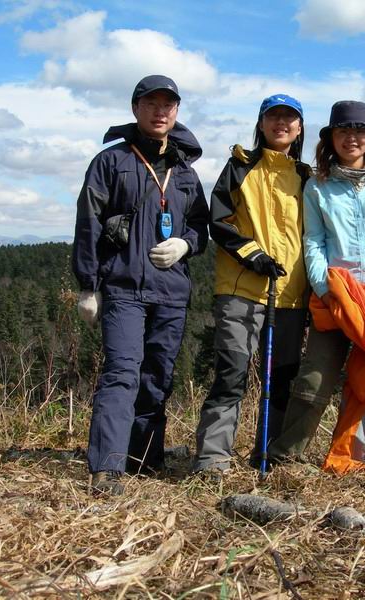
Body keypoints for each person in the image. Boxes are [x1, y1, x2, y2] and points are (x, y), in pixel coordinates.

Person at [72, 75, 209, 495]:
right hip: (123, 287)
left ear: (177, 112)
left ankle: (144, 459)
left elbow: (200, 227)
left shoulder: (185, 172)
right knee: (122, 373)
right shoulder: (111, 162)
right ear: (135, 109)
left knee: (156, 377)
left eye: (168, 105)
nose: (160, 111)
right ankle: (107, 467)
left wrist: (185, 244)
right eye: (151, 103)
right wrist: (88, 286)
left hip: (171, 293)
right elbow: (88, 223)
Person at [267, 100, 365, 465]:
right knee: (314, 379)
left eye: (359, 131)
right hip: (336, 295)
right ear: (331, 138)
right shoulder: (317, 187)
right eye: (343, 131)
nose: (352, 138)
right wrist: (324, 289)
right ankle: (286, 457)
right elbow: (314, 242)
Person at [191, 94, 312, 476]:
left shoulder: (307, 177)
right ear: (261, 124)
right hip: (240, 289)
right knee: (231, 373)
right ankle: (212, 460)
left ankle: (272, 456)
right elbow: (219, 221)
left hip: (290, 295)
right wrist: (252, 254)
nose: (281, 123)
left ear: (299, 128)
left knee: (282, 379)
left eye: (289, 118)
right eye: (273, 117)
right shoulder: (239, 167)